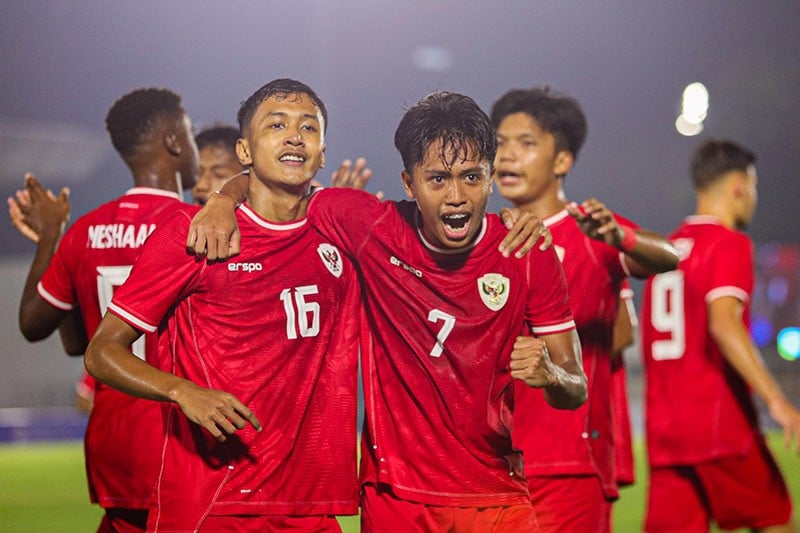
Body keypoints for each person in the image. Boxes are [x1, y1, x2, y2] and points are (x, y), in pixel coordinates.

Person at [188, 90, 588, 531]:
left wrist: (552, 374)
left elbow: (575, 386)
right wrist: (223, 199)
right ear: (408, 182)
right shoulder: (371, 227)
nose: (456, 196)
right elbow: (275, 183)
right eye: (438, 179)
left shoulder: (526, 251)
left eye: (471, 177)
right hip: (397, 498)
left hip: (497, 494)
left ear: (491, 178)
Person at [86, 78, 364, 532]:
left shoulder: (343, 233)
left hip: (310, 511)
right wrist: (182, 390)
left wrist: (517, 218)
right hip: (213, 505)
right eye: (277, 125)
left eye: (309, 128)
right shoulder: (194, 234)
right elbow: (102, 351)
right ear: (246, 151)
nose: (295, 135)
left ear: (323, 154)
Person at [490, 86, 679, 532]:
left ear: (562, 161)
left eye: (527, 143)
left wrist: (622, 239)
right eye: (500, 143)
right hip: (495, 458)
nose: (508, 156)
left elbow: (669, 257)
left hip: (567, 463)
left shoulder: (590, 231)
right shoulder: (484, 234)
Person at [14, 87, 198, 532]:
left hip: (113, 441)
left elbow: (42, 327)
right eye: (190, 135)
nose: (194, 148)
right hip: (182, 438)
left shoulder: (86, 231)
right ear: (174, 141)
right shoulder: (198, 228)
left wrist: (49, 240)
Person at [641, 139, 800, 532]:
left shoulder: (664, 251)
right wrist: (776, 400)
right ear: (739, 186)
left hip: (665, 432)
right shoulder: (728, 244)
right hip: (719, 426)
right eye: (755, 187)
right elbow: (723, 324)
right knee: (775, 521)